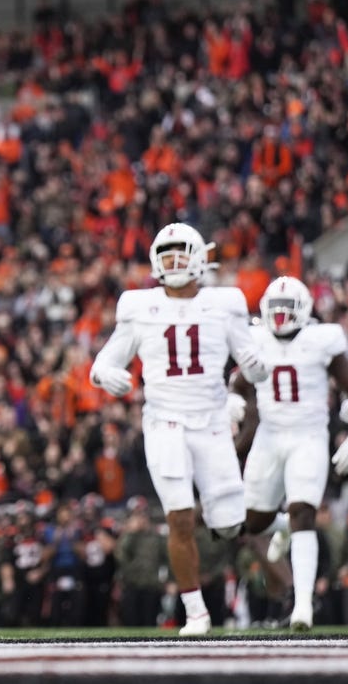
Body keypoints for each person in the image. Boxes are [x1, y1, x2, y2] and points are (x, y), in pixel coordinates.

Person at [89, 222, 269, 635]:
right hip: (164, 421)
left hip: (211, 423)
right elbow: (105, 360)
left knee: (226, 523)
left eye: (181, 254)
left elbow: (253, 361)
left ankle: (276, 524)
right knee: (180, 518)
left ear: (200, 258)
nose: (173, 262)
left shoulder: (223, 304)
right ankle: (196, 612)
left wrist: (258, 368)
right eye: (166, 255)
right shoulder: (139, 306)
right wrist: (104, 375)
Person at [228, 276, 348, 631]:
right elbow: (240, 382)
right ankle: (282, 527)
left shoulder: (321, 340)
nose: (279, 318)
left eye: (286, 310)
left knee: (303, 511)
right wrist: (233, 400)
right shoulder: (257, 339)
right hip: (269, 436)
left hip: (308, 435)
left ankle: (303, 606)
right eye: (274, 310)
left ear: (303, 310)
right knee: (250, 522)